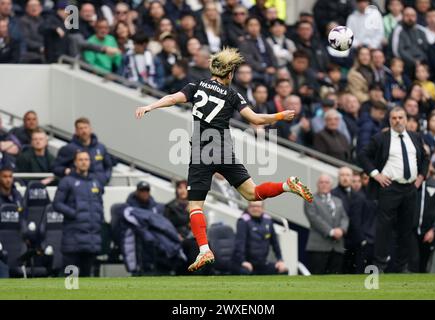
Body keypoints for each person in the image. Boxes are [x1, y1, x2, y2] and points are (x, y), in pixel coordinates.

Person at [135, 47, 313, 272]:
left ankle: (204, 250)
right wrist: (280, 116)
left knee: (195, 206)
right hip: (223, 149)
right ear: (229, 74)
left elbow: (173, 99)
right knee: (251, 193)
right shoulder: (233, 94)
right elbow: (256, 120)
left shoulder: (196, 86)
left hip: (202, 150)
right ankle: (287, 185)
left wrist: (149, 106)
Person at [358, 106, 429, 273]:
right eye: (394, 118)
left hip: (410, 188)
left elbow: (425, 158)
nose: (398, 120)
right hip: (390, 188)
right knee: (384, 228)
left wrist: (420, 177)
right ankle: (380, 265)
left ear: (406, 119)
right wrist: (376, 174)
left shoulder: (415, 137)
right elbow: (362, 155)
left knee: (406, 229)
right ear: (390, 120)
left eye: (401, 117)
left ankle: (401, 266)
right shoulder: (381, 138)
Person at [53, 151, 104, 277]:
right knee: (71, 276)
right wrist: (74, 214)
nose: (83, 162)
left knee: (86, 277)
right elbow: (57, 204)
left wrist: (99, 220)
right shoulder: (67, 181)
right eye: (80, 159)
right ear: (75, 162)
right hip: (73, 237)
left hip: (91, 238)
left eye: (86, 159)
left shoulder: (96, 182)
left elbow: (99, 205)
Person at [304, 174, 349, 275]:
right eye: (321, 182)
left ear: (331, 185)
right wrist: (331, 231)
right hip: (318, 247)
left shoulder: (338, 201)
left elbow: (345, 218)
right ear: (317, 184)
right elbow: (314, 218)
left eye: (327, 182)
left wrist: (341, 230)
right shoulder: (310, 199)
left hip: (337, 247)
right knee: (317, 278)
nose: (324, 185)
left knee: (335, 278)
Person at [53, 117, 114, 186]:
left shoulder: (101, 147)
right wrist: (65, 170)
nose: (84, 131)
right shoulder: (68, 149)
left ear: (91, 129)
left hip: (99, 185)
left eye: (86, 127)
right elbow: (56, 167)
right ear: (76, 131)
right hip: (78, 187)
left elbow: (109, 166)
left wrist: (105, 178)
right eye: (81, 128)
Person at [232, 201, 288, 275]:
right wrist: (243, 261)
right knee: (245, 272)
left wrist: (280, 260)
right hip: (246, 263)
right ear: (248, 207)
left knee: (283, 270)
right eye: (253, 206)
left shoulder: (268, 221)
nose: (255, 208)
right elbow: (239, 244)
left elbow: (275, 243)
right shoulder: (243, 221)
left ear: (263, 208)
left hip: (262, 263)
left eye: (258, 206)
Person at [410, 164, 435, 273]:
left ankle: (421, 286)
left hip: (429, 230)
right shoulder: (412, 185)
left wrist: (433, 229)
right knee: (413, 260)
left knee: (425, 263)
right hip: (412, 230)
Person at [332, 167, 366, 274]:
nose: (345, 178)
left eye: (347, 175)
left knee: (356, 272)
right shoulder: (332, 195)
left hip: (356, 242)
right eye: (342, 175)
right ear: (338, 177)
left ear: (352, 177)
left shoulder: (360, 197)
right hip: (339, 240)